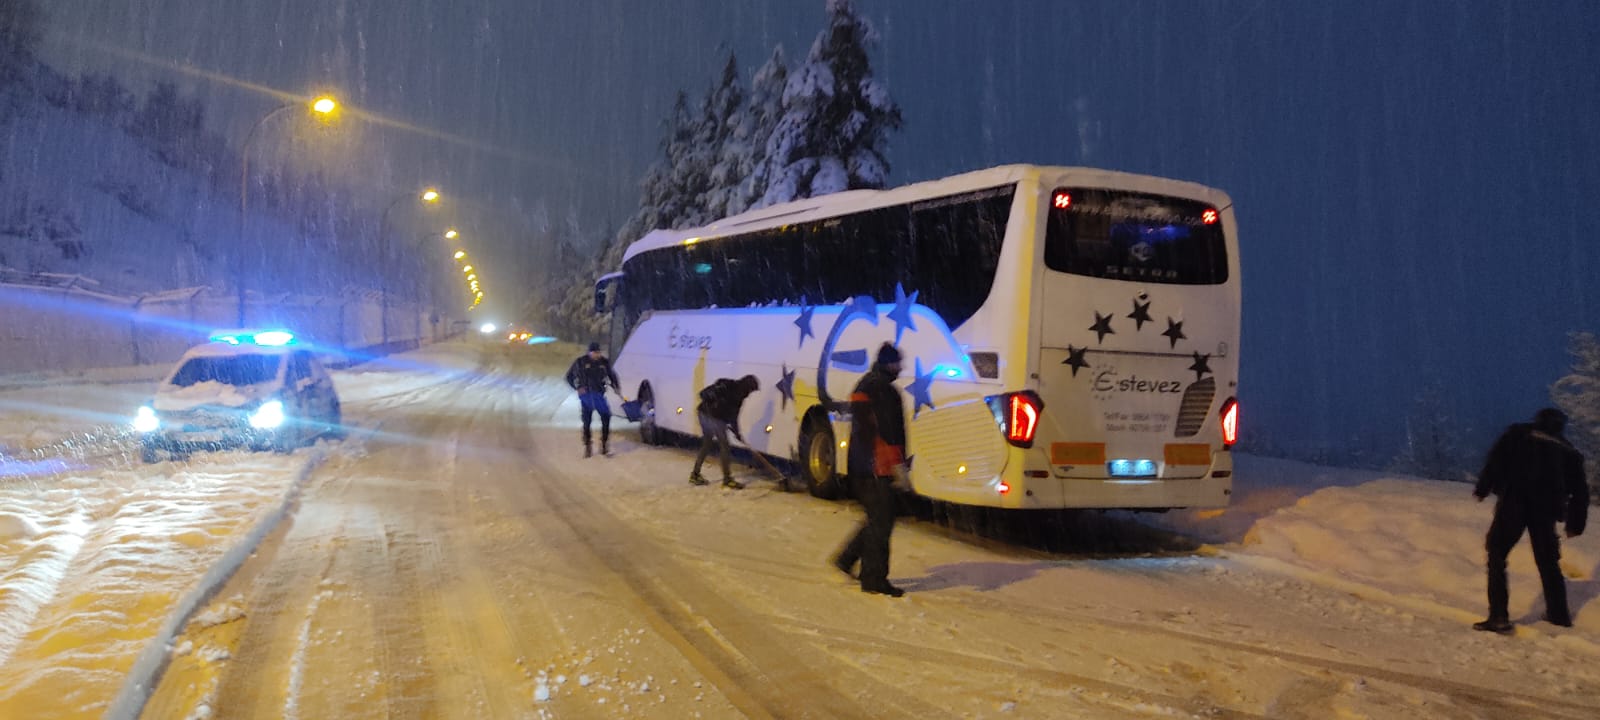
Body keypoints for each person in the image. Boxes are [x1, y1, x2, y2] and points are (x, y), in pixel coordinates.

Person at [1472, 407, 1589, 633]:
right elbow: (1580, 493)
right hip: (1546, 511)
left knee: (1497, 554)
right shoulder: (1569, 451)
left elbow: (1495, 461)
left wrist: (1483, 488)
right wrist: (1575, 524)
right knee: (1548, 562)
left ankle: (1498, 616)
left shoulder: (1518, 434)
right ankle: (1558, 616)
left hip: (1513, 504)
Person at [832, 343, 910, 597]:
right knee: (882, 523)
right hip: (879, 465)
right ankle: (874, 578)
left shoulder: (865, 383)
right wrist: (898, 466)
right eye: (898, 363)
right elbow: (889, 430)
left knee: (877, 518)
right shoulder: (885, 390)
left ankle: (847, 558)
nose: (900, 367)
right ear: (890, 363)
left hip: (861, 463)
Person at [690, 375, 761, 489]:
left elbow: (733, 418)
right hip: (709, 415)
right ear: (747, 387)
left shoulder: (737, 395)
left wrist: (737, 433)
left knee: (707, 444)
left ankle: (695, 474)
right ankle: (727, 479)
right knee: (725, 446)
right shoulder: (729, 388)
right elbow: (704, 395)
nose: (749, 394)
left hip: (708, 415)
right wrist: (716, 407)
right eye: (751, 390)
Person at [565, 342, 621, 458]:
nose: (596, 355)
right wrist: (578, 388)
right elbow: (569, 377)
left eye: (598, 352)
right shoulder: (580, 362)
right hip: (587, 395)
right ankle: (588, 446)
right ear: (589, 352)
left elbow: (612, 375)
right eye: (594, 353)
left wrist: (616, 386)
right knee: (587, 420)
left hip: (599, 395)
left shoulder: (604, 363)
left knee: (606, 417)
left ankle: (604, 445)